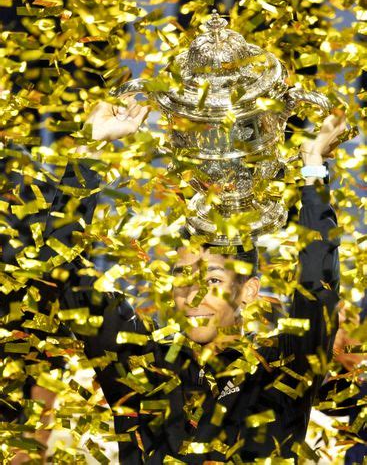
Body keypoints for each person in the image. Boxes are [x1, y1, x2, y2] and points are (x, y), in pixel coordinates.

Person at [3, 98, 346, 463]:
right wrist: (91, 147)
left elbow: (317, 291)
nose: (192, 296)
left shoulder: (282, 366)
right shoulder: (143, 365)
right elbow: (62, 273)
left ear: (247, 291)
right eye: (182, 277)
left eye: (212, 279)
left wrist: (313, 169)